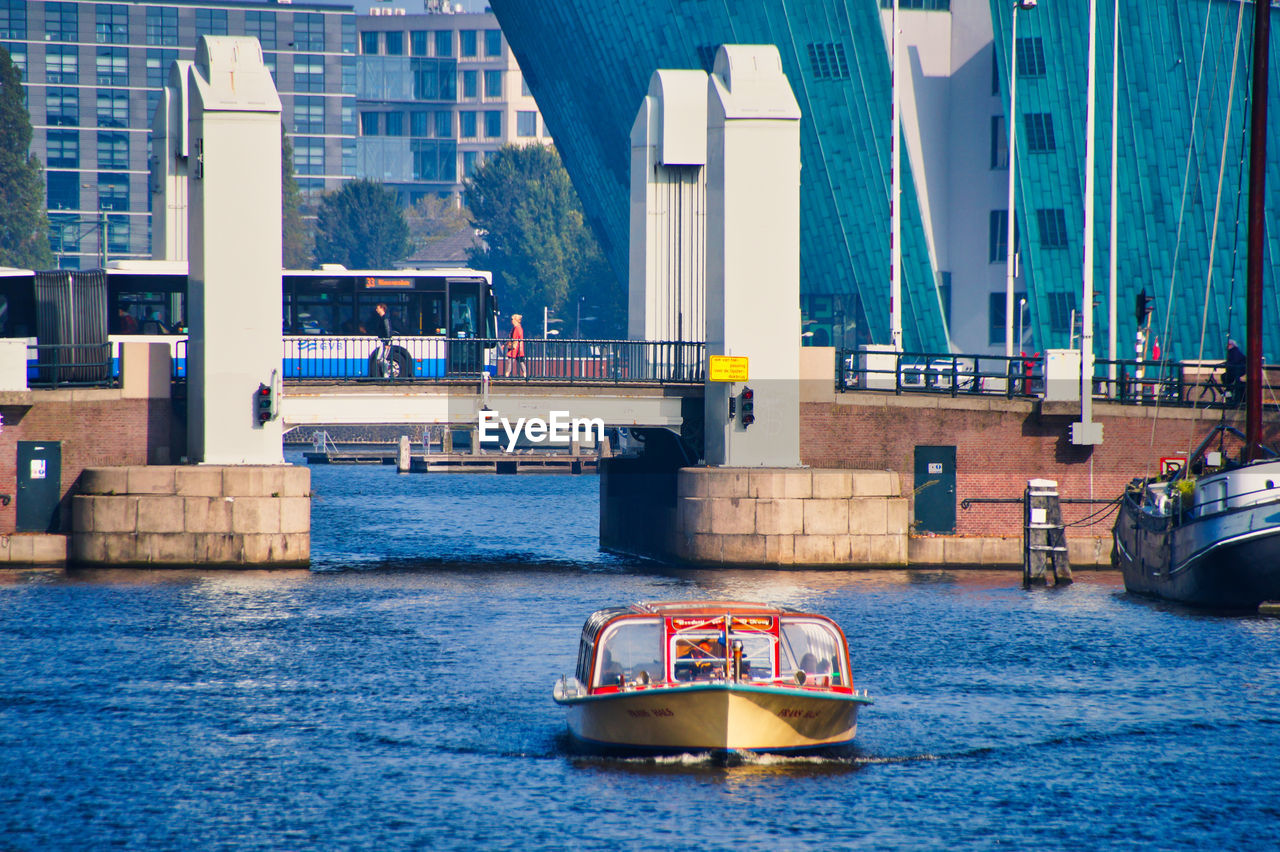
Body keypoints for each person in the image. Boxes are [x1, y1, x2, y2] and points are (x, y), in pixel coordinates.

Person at [369, 303, 395, 377]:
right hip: (383, 341)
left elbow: (388, 330)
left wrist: (387, 342)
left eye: (378, 308)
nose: (376, 310)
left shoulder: (385, 318)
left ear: (382, 308)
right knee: (380, 359)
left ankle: (387, 373)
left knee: (382, 358)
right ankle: (386, 374)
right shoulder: (382, 318)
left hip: (385, 341)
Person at [1222, 339, 1246, 404]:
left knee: (1225, 377)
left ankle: (1229, 394)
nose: (1227, 346)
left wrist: (1227, 364)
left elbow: (1234, 361)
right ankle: (1229, 393)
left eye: (1229, 345)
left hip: (1237, 371)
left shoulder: (1234, 352)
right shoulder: (1232, 352)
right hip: (1237, 371)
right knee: (1226, 377)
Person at [505, 313, 526, 378]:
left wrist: (511, 345)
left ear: (515, 320)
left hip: (515, 347)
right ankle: (525, 374)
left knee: (511, 359)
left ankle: (507, 374)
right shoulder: (517, 328)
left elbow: (515, 338)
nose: (511, 321)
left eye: (512, 319)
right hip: (517, 347)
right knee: (520, 361)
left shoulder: (517, 328)